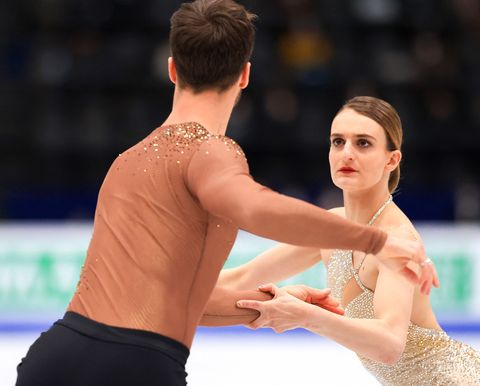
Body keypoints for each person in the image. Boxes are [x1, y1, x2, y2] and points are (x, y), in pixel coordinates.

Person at [15, 2, 437, 386]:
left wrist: (273, 305)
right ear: (245, 75)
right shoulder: (211, 152)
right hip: (138, 367)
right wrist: (375, 238)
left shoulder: (126, 161)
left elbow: (173, 303)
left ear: (172, 70)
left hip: (53, 358)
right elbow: (256, 208)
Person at [220, 96, 480, 385]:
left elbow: (388, 345)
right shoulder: (333, 226)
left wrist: (305, 316)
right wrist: (178, 286)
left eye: (363, 143)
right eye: (338, 141)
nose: (346, 153)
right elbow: (244, 276)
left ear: (392, 159)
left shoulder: (396, 240)